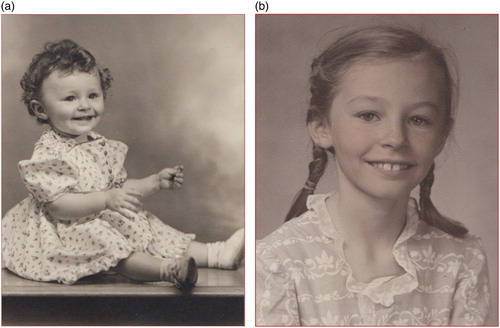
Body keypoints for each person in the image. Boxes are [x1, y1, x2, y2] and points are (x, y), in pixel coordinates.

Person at [256, 26, 490, 325]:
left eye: (418, 119)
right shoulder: (276, 264)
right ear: (321, 127)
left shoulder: (462, 260)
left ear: (442, 134)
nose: (395, 138)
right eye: (369, 115)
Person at [2, 39, 244, 289]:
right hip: (67, 228)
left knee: (152, 228)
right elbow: (58, 206)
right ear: (41, 109)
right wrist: (105, 200)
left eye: (93, 95)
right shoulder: (49, 153)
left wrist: (155, 182)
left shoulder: (99, 145)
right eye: (70, 98)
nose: (85, 105)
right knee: (111, 243)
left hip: (103, 216)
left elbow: (120, 188)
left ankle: (217, 254)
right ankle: (168, 270)